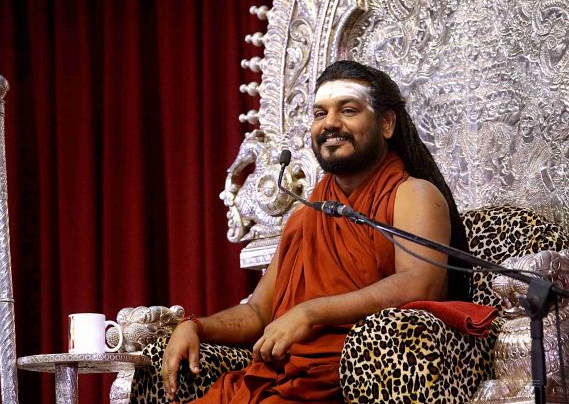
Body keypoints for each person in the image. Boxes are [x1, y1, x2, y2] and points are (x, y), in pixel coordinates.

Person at [161, 60, 470, 403]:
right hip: (284, 380)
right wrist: (196, 326)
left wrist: (310, 312)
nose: (330, 123)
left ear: (386, 123)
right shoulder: (307, 216)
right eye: (320, 113)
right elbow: (258, 313)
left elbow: (421, 283)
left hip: (360, 378)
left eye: (348, 110)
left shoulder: (413, 194)